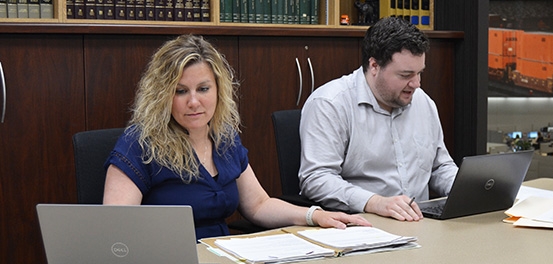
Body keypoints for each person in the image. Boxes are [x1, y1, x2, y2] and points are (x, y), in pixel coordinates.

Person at [103, 34, 371, 240]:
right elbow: (117, 229)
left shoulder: (223, 139)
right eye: (180, 91)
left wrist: (314, 215)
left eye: (203, 88)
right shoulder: (139, 144)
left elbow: (258, 205)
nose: (194, 101)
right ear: (162, 96)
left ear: (219, 90)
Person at [299, 17, 459, 221]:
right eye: (405, 75)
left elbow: (439, 166)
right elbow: (316, 179)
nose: (416, 84)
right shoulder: (330, 104)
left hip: (422, 223)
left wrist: (469, 191)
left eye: (419, 73)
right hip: (360, 224)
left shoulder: (423, 102)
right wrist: (375, 202)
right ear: (374, 66)